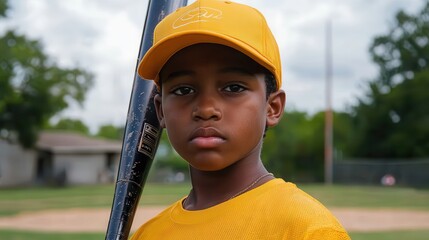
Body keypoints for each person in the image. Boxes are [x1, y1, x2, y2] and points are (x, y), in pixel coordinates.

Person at [131, 0, 350, 239]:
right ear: (161, 111)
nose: (206, 109)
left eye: (233, 87)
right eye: (184, 90)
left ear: (272, 107)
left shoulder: (307, 230)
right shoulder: (148, 234)